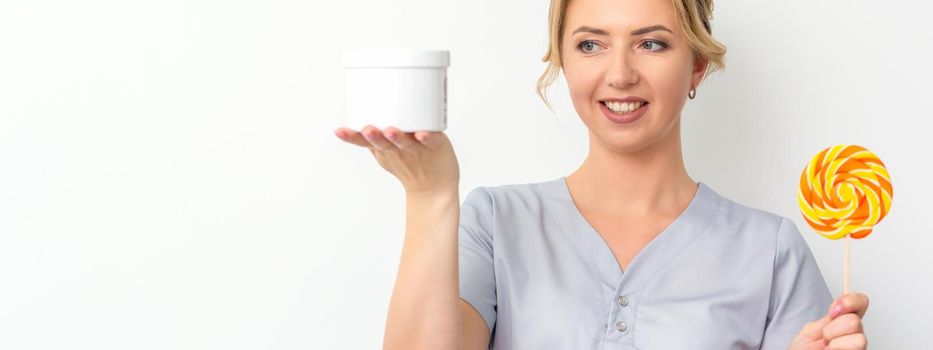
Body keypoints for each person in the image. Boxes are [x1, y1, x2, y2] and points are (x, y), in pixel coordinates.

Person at [334, 0, 870, 348]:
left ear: (697, 66)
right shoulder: (494, 223)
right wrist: (430, 196)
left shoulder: (769, 250)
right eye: (590, 44)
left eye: (651, 43)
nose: (619, 73)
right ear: (564, 61)